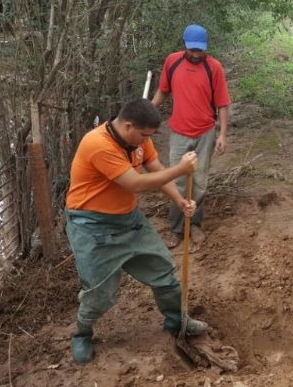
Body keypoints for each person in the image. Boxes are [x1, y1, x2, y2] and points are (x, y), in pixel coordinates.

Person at [65, 99, 209, 364]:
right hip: (92, 227)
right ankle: (82, 334)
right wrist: (181, 169)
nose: (147, 140)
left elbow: (156, 170)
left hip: (129, 220)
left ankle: (178, 322)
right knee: (99, 292)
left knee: (163, 271)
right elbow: (136, 184)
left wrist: (179, 201)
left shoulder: (139, 140)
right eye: (144, 135)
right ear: (128, 126)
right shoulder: (97, 144)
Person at [152, 24, 231, 249]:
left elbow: (223, 104)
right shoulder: (172, 62)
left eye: (200, 51)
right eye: (193, 50)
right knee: (177, 181)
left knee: (199, 181)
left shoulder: (214, 67)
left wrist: (222, 135)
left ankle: (194, 224)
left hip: (205, 132)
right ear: (184, 46)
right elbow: (163, 91)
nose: (196, 54)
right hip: (178, 132)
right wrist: (148, 109)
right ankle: (177, 229)